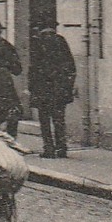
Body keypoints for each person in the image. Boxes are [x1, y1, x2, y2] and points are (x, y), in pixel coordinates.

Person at [28, 21, 76, 158]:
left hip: (42, 88)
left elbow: (33, 68)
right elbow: (71, 66)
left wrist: (32, 88)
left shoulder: (37, 43)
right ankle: (62, 148)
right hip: (59, 88)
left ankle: (49, 148)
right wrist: (68, 86)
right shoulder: (61, 41)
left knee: (44, 120)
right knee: (59, 119)